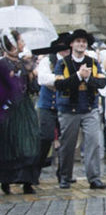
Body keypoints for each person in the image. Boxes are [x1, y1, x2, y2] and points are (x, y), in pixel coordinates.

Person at [53, 29, 106, 190]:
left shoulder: (93, 62)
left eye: (84, 42)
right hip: (69, 110)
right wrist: (78, 76)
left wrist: (88, 77)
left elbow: (102, 83)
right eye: (78, 41)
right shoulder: (62, 63)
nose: (81, 44)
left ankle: (94, 177)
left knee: (93, 143)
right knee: (67, 145)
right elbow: (59, 85)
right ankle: (65, 177)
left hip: (89, 108)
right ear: (71, 44)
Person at [0, 29, 41, 195]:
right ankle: (6, 180)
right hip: (9, 108)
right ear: (12, 44)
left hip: (25, 107)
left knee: (29, 141)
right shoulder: (2, 64)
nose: (23, 43)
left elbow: (33, 89)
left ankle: (27, 181)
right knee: (10, 144)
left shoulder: (25, 62)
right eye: (20, 40)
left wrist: (32, 75)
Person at [33, 32, 69, 177]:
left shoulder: (72, 61)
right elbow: (43, 79)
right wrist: (63, 80)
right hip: (47, 105)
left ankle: (63, 173)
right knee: (46, 138)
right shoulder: (48, 60)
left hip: (65, 105)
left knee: (66, 140)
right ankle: (35, 170)